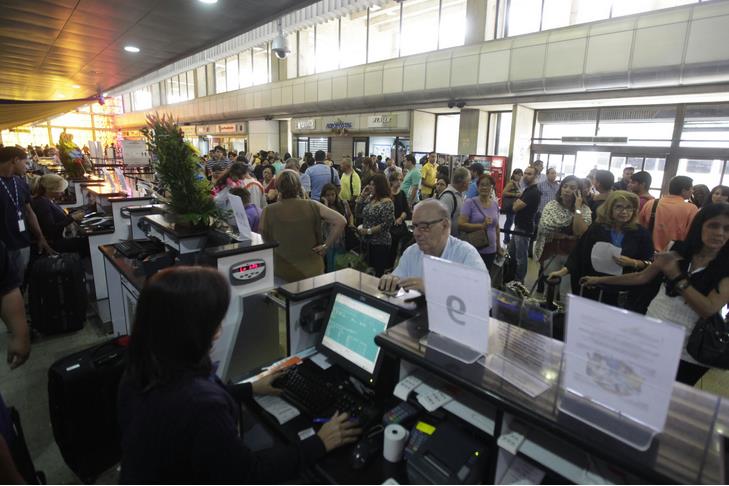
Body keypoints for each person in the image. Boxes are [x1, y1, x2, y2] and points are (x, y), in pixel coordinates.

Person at [118, 266, 361, 483]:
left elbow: (190, 402)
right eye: (214, 322)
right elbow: (251, 475)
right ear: (192, 331)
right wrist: (319, 443)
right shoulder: (203, 407)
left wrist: (251, 388)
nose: (218, 330)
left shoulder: (144, 367)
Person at [582, 203, 729, 385]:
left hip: (687, 350)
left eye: (727, 229)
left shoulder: (725, 266)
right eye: (713, 225)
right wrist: (599, 280)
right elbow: (642, 277)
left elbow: (708, 309)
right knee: (632, 384)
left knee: (670, 397)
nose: (720, 233)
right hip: (650, 334)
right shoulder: (676, 249)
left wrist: (676, 276)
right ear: (700, 225)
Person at [549, 190, 653, 306]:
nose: (624, 212)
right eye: (619, 207)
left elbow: (650, 263)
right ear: (610, 209)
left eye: (629, 208)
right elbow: (579, 253)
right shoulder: (597, 228)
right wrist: (562, 272)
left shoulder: (641, 234)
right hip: (592, 286)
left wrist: (634, 263)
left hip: (621, 291)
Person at [378, 199, 486, 294]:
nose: (416, 233)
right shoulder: (411, 252)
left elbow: (483, 295)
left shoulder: (465, 254)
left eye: (424, 227)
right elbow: (398, 277)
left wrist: (432, 288)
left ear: (445, 225)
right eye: (414, 226)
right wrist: (390, 280)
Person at [261, 170, 345, 282]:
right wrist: (326, 246)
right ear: (298, 186)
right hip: (312, 270)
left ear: (278, 187)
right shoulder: (312, 205)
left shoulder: (268, 210)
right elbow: (341, 221)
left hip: (282, 270)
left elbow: (264, 237)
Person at [0, 147, 55, 284]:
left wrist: (40, 237)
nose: (27, 167)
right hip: (4, 245)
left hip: (22, 242)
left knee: (20, 282)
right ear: (15, 160)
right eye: (25, 163)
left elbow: (29, 212)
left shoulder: (20, 183)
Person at [534, 175, 591, 300]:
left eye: (572, 188)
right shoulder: (552, 206)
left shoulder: (584, 210)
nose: (567, 190)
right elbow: (544, 227)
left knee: (567, 292)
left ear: (579, 191)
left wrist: (577, 208)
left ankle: (563, 317)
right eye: (565, 186)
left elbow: (580, 232)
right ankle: (547, 314)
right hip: (551, 252)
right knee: (550, 288)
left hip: (572, 255)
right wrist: (565, 235)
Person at [29, 174, 89, 256]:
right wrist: (72, 218)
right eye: (60, 190)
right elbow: (51, 228)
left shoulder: (47, 200)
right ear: (50, 190)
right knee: (88, 242)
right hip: (54, 244)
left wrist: (72, 215)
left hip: (56, 240)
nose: (63, 192)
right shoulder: (42, 203)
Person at [639, 175, 698, 252]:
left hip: (647, 252)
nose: (692, 191)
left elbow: (639, 227)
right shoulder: (691, 209)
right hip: (673, 256)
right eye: (691, 188)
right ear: (683, 190)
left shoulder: (651, 203)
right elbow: (691, 235)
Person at [458, 174, 502, 270]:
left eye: (488, 185)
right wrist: (481, 226)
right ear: (477, 187)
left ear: (492, 187)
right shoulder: (469, 203)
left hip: (491, 250)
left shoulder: (494, 204)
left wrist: (498, 247)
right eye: (482, 185)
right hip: (474, 249)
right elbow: (461, 225)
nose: (484, 187)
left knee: (487, 278)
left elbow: (496, 228)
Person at [356, 174, 395, 277]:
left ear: (380, 186)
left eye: (373, 185)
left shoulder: (387, 202)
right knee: (366, 271)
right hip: (367, 241)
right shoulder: (370, 199)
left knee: (377, 273)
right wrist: (363, 195)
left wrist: (369, 231)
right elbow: (357, 212)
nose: (370, 187)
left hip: (380, 242)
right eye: (370, 184)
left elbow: (386, 224)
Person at [511, 166, 540, 283]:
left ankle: (519, 282)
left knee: (521, 257)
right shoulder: (528, 190)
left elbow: (515, 207)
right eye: (525, 173)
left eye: (530, 174)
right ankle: (512, 277)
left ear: (536, 176)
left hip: (524, 228)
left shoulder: (533, 192)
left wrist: (516, 203)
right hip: (519, 227)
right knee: (512, 254)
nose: (526, 176)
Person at [320, 183, 351, 272]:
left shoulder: (343, 203)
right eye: (328, 195)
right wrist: (325, 204)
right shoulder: (321, 207)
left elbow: (349, 215)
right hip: (328, 240)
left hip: (341, 239)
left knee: (340, 265)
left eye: (333, 194)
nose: (331, 197)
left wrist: (351, 223)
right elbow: (322, 222)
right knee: (330, 265)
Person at [388, 172, 412, 268]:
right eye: (397, 180)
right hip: (389, 224)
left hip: (399, 224)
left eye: (401, 180)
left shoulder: (402, 194)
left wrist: (401, 218)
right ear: (392, 181)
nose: (399, 182)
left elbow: (406, 210)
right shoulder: (388, 193)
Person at [438, 167, 470, 238]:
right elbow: (441, 221)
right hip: (448, 241)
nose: (469, 183)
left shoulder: (460, 195)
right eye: (469, 181)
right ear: (464, 183)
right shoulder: (448, 197)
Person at [501, 169, 523, 244]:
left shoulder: (518, 183)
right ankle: (506, 239)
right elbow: (503, 193)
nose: (519, 176)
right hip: (510, 206)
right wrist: (515, 195)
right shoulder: (511, 183)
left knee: (511, 221)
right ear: (513, 174)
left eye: (520, 175)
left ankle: (508, 238)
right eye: (517, 174)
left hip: (514, 205)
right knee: (509, 221)